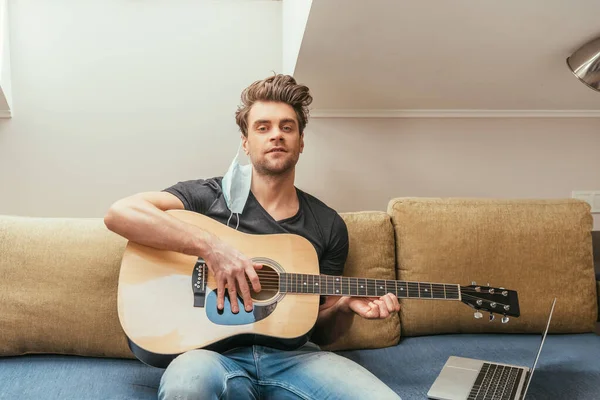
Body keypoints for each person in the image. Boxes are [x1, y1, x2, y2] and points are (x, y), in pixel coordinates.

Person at [104, 74, 401, 400]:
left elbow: (321, 330)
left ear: (301, 141)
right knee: (186, 388)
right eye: (263, 127)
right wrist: (212, 248)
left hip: (296, 359)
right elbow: (120, 213)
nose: (276, 135)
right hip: (208, 354)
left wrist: (343, 305)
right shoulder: (209, 196)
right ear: (246, 142)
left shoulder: (328, 225)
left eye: (287, 127)